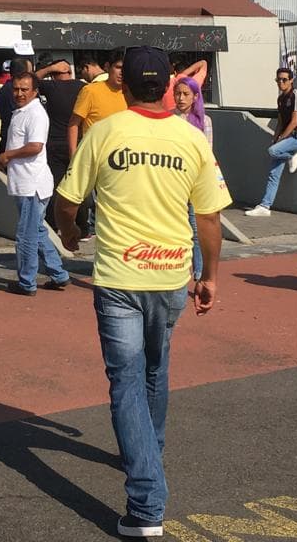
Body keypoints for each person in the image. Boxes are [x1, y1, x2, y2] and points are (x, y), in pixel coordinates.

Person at [54, 46, 227, 537]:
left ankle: (147, 503)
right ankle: (150, 448)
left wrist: (70, 234)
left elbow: (67, 201)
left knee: (127, 382)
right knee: (155, 370)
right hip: (172, 277)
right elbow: (210, 218)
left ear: (123, 86)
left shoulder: (106, 132)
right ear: (170, 88)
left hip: (118, 281)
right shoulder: (192, 140)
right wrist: (209, 276)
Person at [0, 71, 71, 296]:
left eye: (24, 89)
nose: (19, 93)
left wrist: (8, 155)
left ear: (35, 91)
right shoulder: (22, 111)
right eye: (16, 89)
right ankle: (58, 274)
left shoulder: (36, 114)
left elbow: (35, 146)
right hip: (25, 182)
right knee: (37, 231)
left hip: (32, 184)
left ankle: (26, 282)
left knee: (26, 235)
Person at [245, 68, 297, 217]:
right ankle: (265, 206)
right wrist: (275, 138)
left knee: (273, 151)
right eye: (278, 80)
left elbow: (294, 122)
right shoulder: (280, 99)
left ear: (291, 80)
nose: (281, 82)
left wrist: (280, 141)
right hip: (287, 139)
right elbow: (280, 122)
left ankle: (292, 153)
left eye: (284, 80)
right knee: (273, 174)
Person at [174, 75, 215, 281]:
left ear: (195, 97)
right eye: (177, 94)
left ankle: (199, 271)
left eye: (185, 94)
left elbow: (207, 153)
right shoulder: (170, 119)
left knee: (196, 229)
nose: (180, 98)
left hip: (194, 182)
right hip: (173, 181)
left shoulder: (204, 121)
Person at [38, 58, 85, 231]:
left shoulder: (51, 87)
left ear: (53, 75)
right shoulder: (82, 86)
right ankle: (83, 226)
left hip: (55, 143)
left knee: (56, 186)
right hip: (78, 141)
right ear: (70, 72)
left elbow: (30, 79)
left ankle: (55, 224)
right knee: (78, 185)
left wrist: (49, 68)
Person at [67, 48, 127, 157]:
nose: (122, 72)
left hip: (123, 157)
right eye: (118, 67)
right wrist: (73, 156)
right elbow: (73, 124)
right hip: (95, 156)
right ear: (108, 67)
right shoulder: (91, 91)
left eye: (126, 68)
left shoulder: (132, 94)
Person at [0, 57, 33, 152]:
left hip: (12, 140)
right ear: (24, 73)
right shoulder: (13, 91)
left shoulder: (4, 90)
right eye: (30, 72)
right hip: (16, 142)